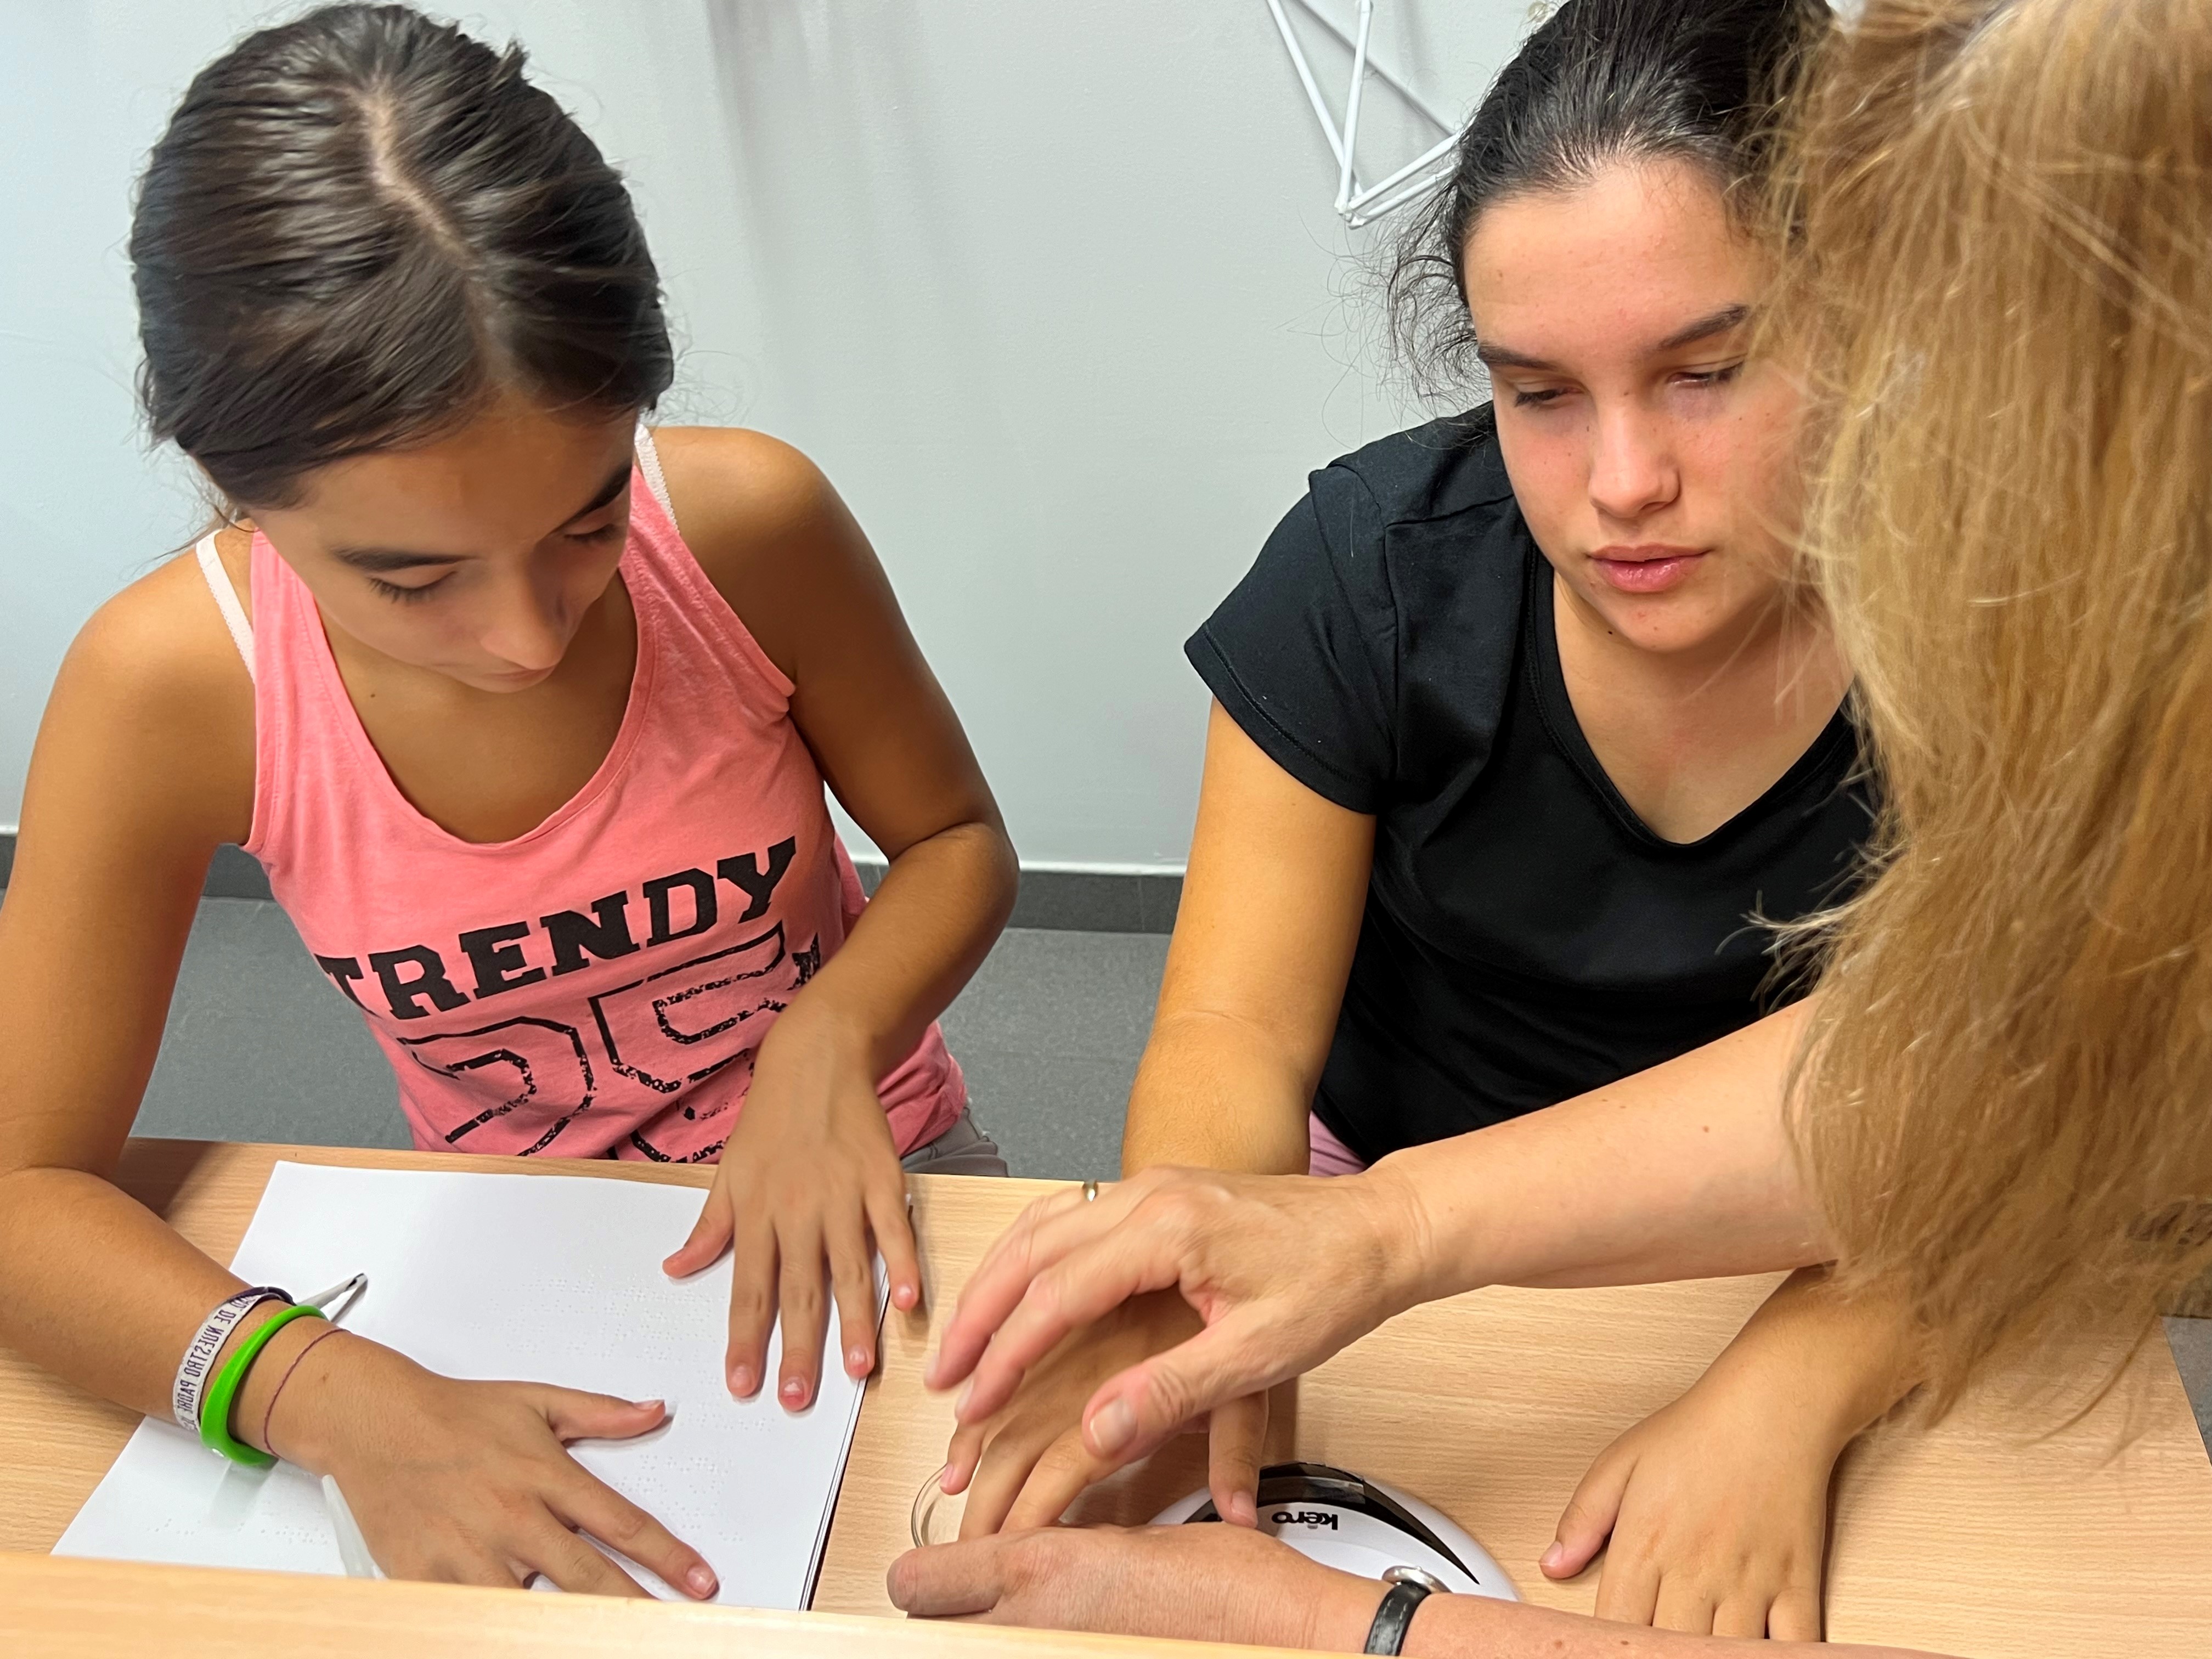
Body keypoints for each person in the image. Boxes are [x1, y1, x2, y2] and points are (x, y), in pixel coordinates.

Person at [901, 0, 2212, 1651]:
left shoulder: (1999, 623)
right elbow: (1231, 1027)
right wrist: (1200, 1278)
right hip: (1385, 1213)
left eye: (1711, 374)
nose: (1624, 484)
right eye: (1539, 396)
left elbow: (2009, 1106)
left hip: (1832, 1237)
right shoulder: (1378, 571)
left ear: (1880, 315)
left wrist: (1807, 1363)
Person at [0, 4, 1015, 1598]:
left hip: (873, 1171)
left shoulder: (745, 523)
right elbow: (16, 1191)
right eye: (409, 583)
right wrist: (322, 1397)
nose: (527, 638)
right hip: (506, 1252)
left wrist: (826, 1041)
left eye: (586, 522)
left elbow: (956, 843)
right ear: (224, 479)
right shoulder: (171, 684)